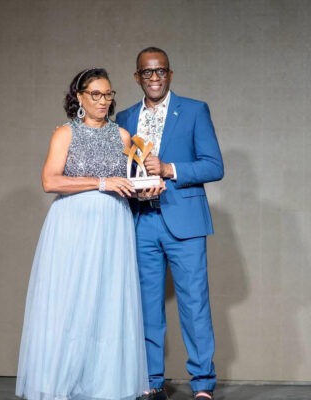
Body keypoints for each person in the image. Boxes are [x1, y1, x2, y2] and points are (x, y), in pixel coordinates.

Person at [16, 68, 161, 400]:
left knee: (107, 302)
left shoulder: (122, 136)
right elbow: (50, 181)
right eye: (95, 94)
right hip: (73, 224)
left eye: (108, 94)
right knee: (70, 300)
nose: (102, 100)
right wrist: (101, 182)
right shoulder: (65, 133)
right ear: (79, 97)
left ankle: (103, 385)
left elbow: (128, 183)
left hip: (113, 225)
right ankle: (60, 382)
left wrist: (147, 189)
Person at [116, 47, 224, 400]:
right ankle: (152, 382)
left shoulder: (194, 110)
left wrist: (169, 169)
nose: (154, 78)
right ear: (137, 77)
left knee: (194, 304)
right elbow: (120, 168)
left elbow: (214, 165)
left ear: (170, 74)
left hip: (184, 222)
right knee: (147, 306)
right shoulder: (125, 117)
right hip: (141, 220)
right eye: (147, 72)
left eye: (160, 71)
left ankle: (203, 384)